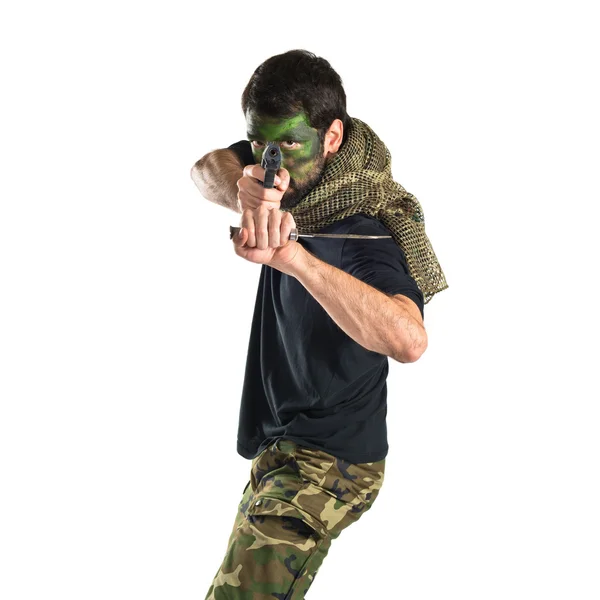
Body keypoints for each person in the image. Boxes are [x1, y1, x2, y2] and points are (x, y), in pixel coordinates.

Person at [191, 49, 448, 599]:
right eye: (259, 143)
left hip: (331, 463)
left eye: (286, 146)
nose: (271, 163)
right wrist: (244, 188)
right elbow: (206, 168)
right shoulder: (276, 170)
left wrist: (294, 259)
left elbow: (410, 340)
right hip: (280, 447)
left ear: (332, 138)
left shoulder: (369, 226)